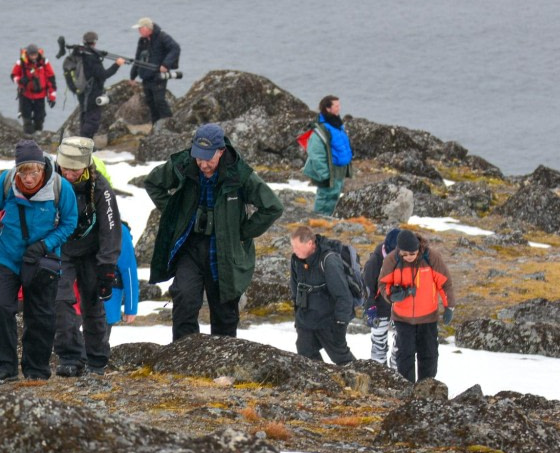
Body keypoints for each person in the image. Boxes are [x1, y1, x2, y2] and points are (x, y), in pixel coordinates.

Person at [0, 140, 78, 384]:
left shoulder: (60, 188)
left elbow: (69, 224)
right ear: (17, 170)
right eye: (23, 171)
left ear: (43, 168)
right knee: (0, 308)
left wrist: (44, 245)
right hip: (6, 257)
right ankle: (3, 368)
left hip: (42, 260)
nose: (28, 178)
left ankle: (36, 370)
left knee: (40, 315)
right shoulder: (7, 182)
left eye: (34, 171)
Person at [144, 123, 283, 341]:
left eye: (208, 158)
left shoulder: (239, 174)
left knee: (225, 311)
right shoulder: (182, 164)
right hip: (189, 246)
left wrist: (243, 232)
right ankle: (183, 358)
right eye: (199, 157)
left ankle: (223, 365)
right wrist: (174, 212)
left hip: (224, 251)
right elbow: (153, 183)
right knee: (184, 299)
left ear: (221, 151)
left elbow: (273, 207)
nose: (203, 164)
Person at [52, 137, 122, 377]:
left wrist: (107, 269)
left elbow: (111, 229)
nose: (69, 173)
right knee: (60, 301)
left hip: (92, 254)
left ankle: (97, 360)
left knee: (92, 305)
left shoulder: (100, 188)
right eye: (65, 167)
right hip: (60, 249)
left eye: (75, 168)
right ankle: (70, 357)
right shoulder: (49, 182)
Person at [378, 230, 456, 383]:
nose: (408, 257)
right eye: (404, 254)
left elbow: (445, 283)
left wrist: (449, 307)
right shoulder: (391, 260)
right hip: (402, 319)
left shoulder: (431, 257)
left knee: (429, 354)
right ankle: (407, 389)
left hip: (428, 317)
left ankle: (426, 388)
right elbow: (383, 284)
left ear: (418, 249)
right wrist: (391, 295)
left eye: (411, 254)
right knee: (404, 356)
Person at [289, 226, 355, 365]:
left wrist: (340, 325)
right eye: (292, 246)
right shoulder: (296, 260)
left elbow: (343, 296)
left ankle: (364, 382)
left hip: (329, 321)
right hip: (306, 320)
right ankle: (322, 385)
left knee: (342, 359)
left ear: (310, 244)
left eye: (296, 246)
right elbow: (295, 287)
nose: (293, 250)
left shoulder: (329, 261)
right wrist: (298, 314)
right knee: (306, 356)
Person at [64, 31, 125, 139]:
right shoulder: (91, 58)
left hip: (81, 91)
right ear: (95, 42)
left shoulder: (79, 53)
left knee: (85, 115)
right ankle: (85, 142)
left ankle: (86, 142)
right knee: (93, 119)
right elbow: (103, 75)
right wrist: (117, 64)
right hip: (92, 92)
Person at [300, 95, 354, 215]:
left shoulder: (337, 125)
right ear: (328, 109)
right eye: (336, 106)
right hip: (329, 171)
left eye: (339, 105)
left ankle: (327, 221)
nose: (339, 108)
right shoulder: (321, 129)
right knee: (325, 198)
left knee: (334, 196)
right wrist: (324, 174)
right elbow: (316, 154)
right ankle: (319, 221)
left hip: (339, 170)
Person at [362, 228, 401, 368]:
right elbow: (367, 289)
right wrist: (370, 310)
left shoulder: (405, 258)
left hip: (400, 308)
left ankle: (397, 376)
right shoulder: (375, 261)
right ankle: (379, 374)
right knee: (379, 344)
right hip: (380, 307)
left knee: (400, 345)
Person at [128, 17, 179, 124]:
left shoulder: (162, 37)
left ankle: (170, 123)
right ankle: (156, 127)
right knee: (151, 103)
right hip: (146, 77)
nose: (139, 31)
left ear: (147, 28)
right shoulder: (142, 40)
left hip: (158, 76)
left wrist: (165, 64)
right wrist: (132, 76)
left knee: (159, 101)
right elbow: (138, 59)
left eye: (140, 28)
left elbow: (175, 48)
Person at [11, 43, 57, 135]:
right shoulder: (21, 63)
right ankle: (28, 138)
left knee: (39, 119)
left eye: (35, 54)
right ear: (28, 54)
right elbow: (13, 75)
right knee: (26, 119)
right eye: (31, 55)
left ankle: (38, 136)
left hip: (40, 96)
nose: (33, 57)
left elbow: (50, 79)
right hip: (25, 95)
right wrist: (20, 81)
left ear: (38, 53)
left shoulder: (44, 62)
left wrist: (52, 96)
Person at [105, 221, 139, 339]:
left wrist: (131, 308)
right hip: (77, 301)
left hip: (106, 302)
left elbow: (128, 270)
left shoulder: (119, 230)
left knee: (98, 347)